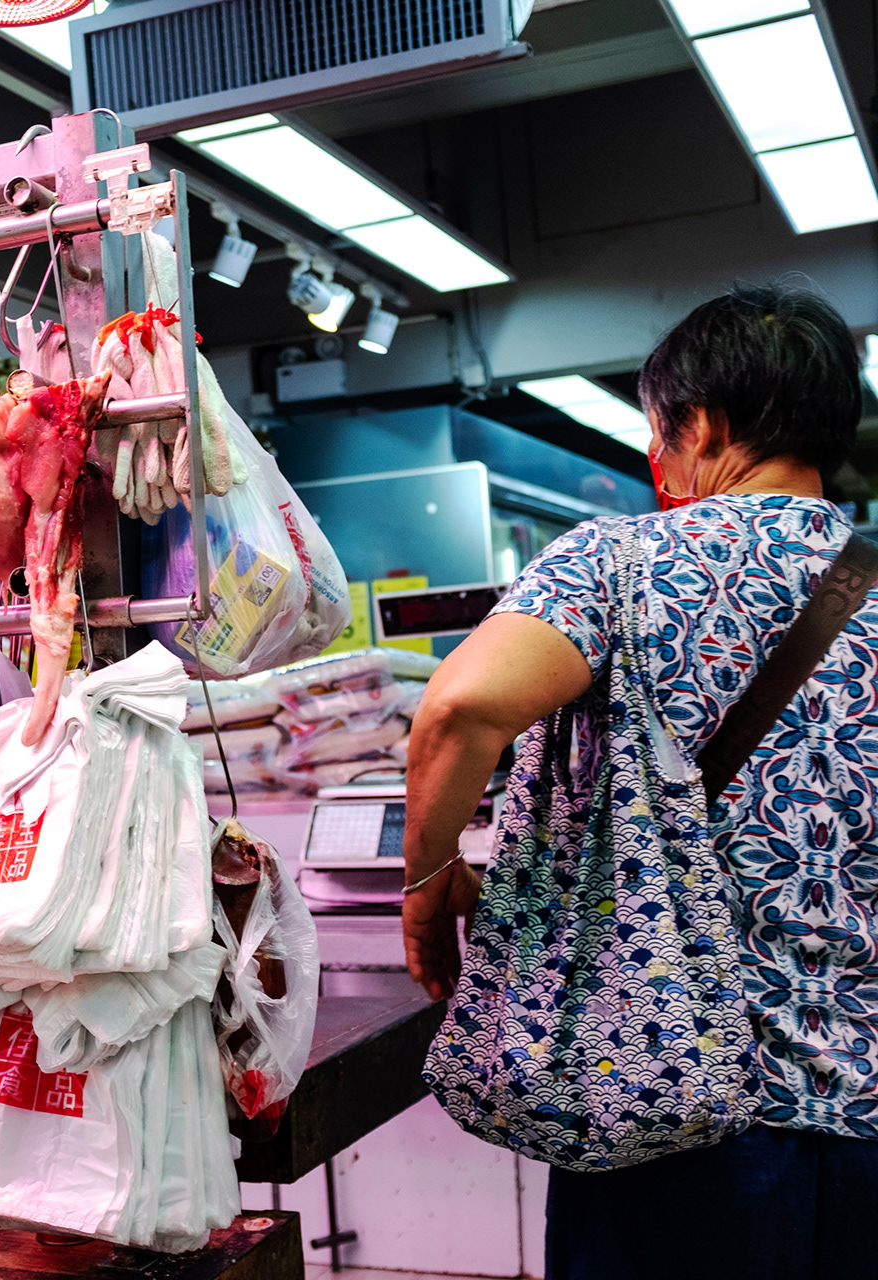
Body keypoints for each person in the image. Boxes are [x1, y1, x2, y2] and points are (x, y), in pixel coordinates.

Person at [403, 284, 878, 1279]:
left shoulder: (619, 562)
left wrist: (425, 885)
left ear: (697, 425)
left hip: (677, 1106)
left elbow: (459, 709)